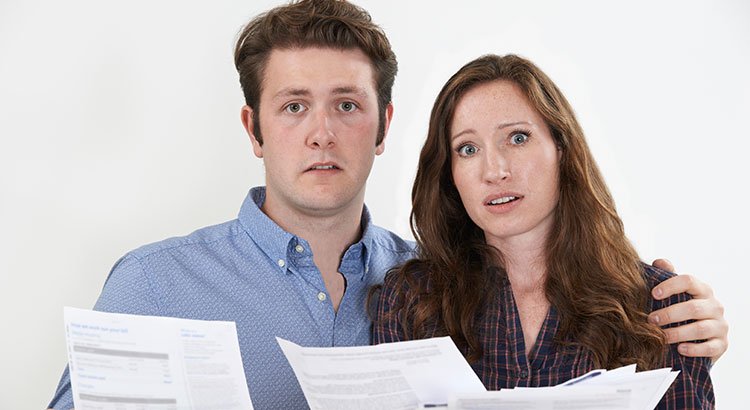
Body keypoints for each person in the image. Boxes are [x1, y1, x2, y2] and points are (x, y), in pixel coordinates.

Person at [48, 1, 726, 409]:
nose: (322, 133)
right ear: (253, 130)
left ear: (383, 127)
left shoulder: (420, 287)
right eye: (293, 107)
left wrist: (691, 329)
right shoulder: (153, 284)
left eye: (347, 105)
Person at [374, 54, 716, 408]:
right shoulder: (410, 302)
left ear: (561, 148)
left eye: (517, 138)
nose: (494, 170)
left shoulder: (663, 307)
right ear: (450, 173)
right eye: (468, 149)